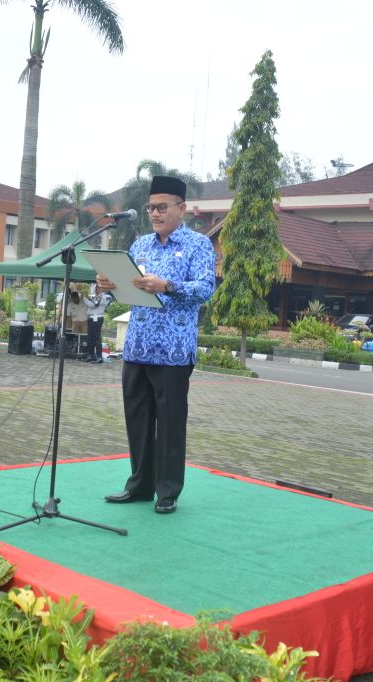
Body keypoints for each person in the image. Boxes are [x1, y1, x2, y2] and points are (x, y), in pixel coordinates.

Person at [95, 175, 216, 515]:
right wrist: (110, 285)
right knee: (138, 419)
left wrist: (168, 285)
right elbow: (129, 292)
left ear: (182, 208)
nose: (155, 213)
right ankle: (140, 485)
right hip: (137, 346)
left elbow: (206, 288)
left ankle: (167, 490)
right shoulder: (140, 246)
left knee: (170, 422)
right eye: (151, 207)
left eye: (162, 207)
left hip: (174, 351)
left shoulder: (198, 245)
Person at [81, 282, 112, 364]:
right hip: (92, 318)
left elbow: (93, 305)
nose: (96, 289)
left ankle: (99, 357)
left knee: (97, 338)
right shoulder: (98, 296)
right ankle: (91, 355)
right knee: (90, 338)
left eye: (97, 288)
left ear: (102, 288)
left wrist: (84, 298)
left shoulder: (103, 296)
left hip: (97, 318)